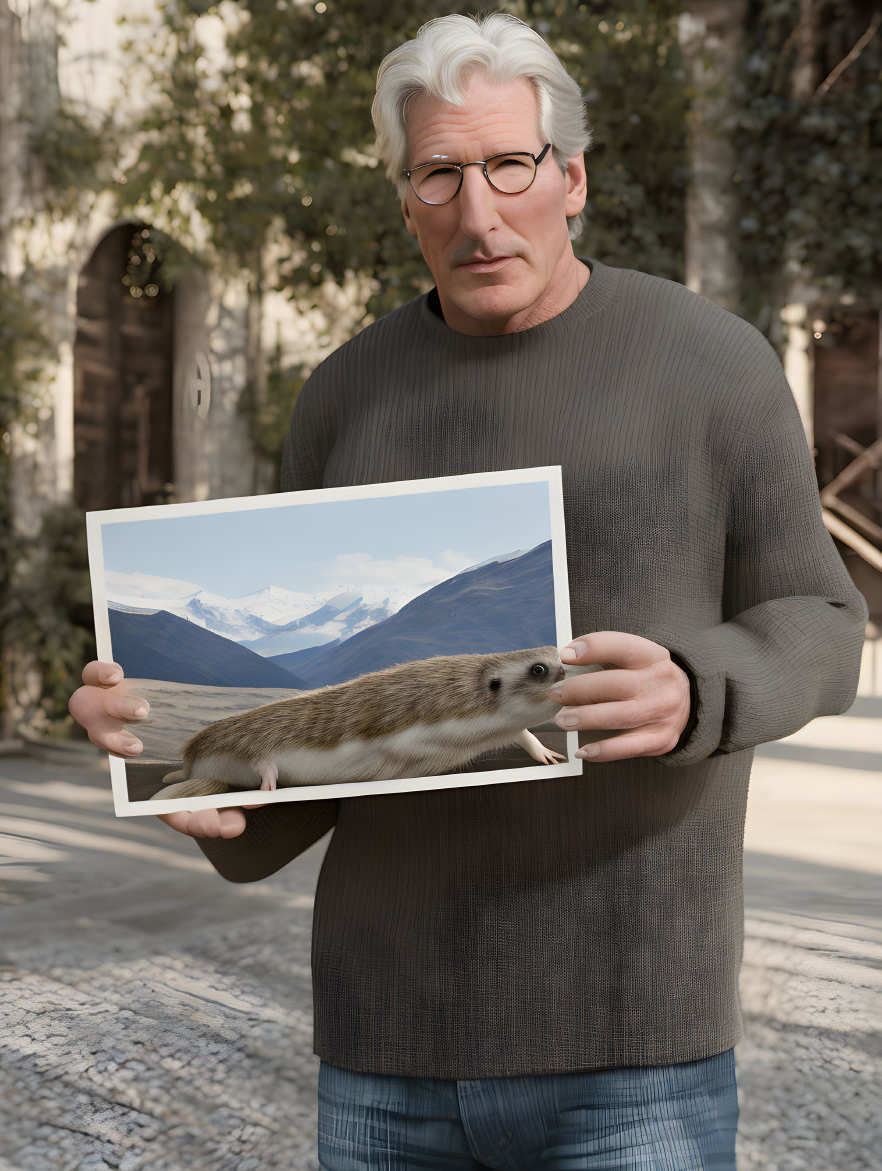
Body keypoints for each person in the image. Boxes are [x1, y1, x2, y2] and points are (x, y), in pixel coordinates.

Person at [68, 13, 868, 1170]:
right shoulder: (343, 398)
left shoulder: (713, 363)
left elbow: (823, 621)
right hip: (384, 1044)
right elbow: (332, 756)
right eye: (439, 173)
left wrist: (702, 689)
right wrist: (165, 768)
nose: (479, 212)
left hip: (635, 1040)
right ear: (404, 198)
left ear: (571, 177)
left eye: (509, 165)